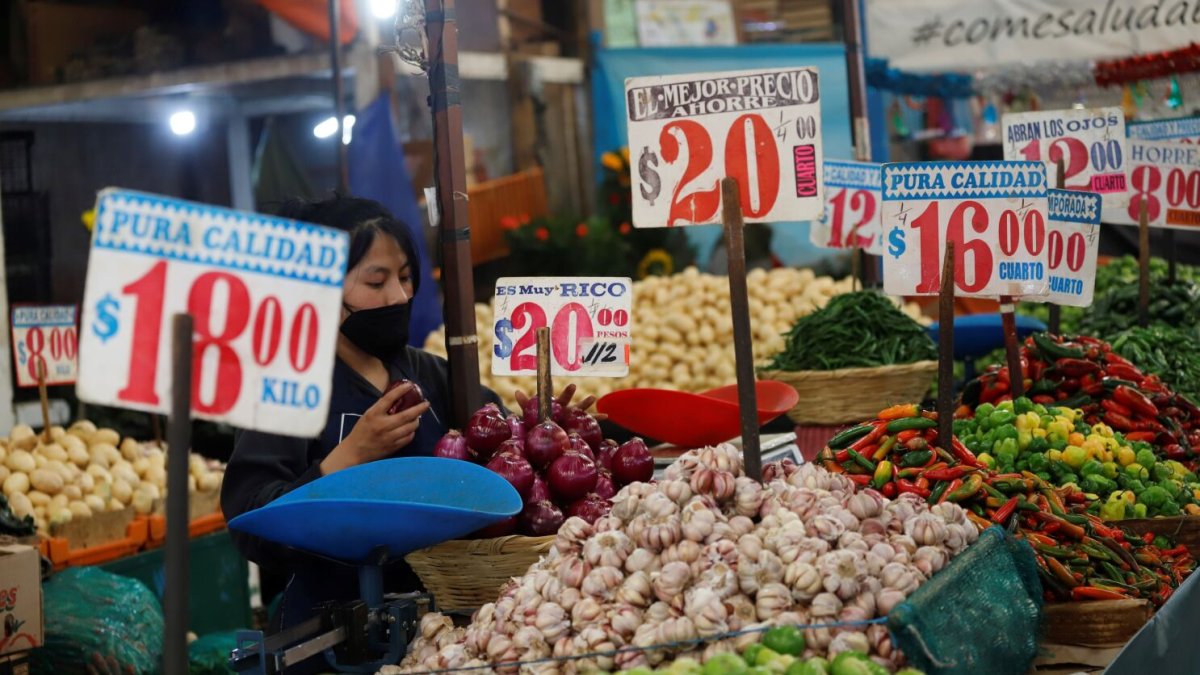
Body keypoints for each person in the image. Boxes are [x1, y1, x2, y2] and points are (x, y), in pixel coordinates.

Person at [221, 195, 593, 673]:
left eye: (405, 277)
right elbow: (250, 517)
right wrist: (349, 456)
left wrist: (552, 433)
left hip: (448, 631)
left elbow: (509, 465)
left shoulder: (436, 375)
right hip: (331, 640)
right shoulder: (286, 389)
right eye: (376, 281)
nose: (398, 297)